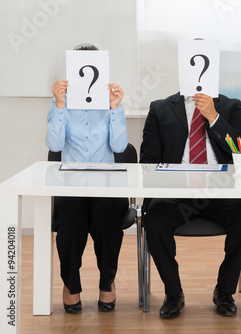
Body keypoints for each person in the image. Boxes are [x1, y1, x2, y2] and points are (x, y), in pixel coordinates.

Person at [139, 89, 241, 319]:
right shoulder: (160, 108)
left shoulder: (230, 106)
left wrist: (214, 117)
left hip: (219, 191)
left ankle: (224, 291)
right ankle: (173, 293)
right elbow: (148, 161)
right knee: (154, 219)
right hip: (177, 193)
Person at [46, 43, 129, 313]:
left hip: (106, 184)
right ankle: (71, 285)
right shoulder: (61, 103)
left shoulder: (111, 102)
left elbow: (119, 148)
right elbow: (54, 144)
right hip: (71, 185)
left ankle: (107, 283)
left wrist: (115, 108)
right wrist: (59, 105)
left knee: (107, 220)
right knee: (69, 223)